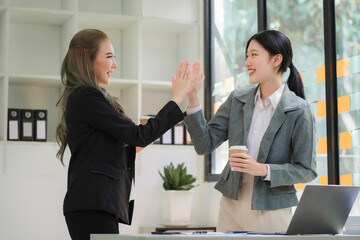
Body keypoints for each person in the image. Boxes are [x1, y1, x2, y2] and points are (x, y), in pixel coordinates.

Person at [55, 29, 192, 240]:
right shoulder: (86, 96)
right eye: (109, 56)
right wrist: (176, 99)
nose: (114, 65)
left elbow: (133, 143)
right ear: (86, 59)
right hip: (92, 205)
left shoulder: (86, 97)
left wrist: (149, 132)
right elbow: (138, 136)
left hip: (96, 206)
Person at [184, 30, 317, 232]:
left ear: (276, 60)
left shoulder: (299, 110)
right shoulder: (237, 99)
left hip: (271, 210)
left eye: (254, 55)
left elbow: (307, 170)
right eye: (247, 55)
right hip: (231, 206)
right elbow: (204, 144)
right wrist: (193, 98)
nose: (247, 62)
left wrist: (263, 170)